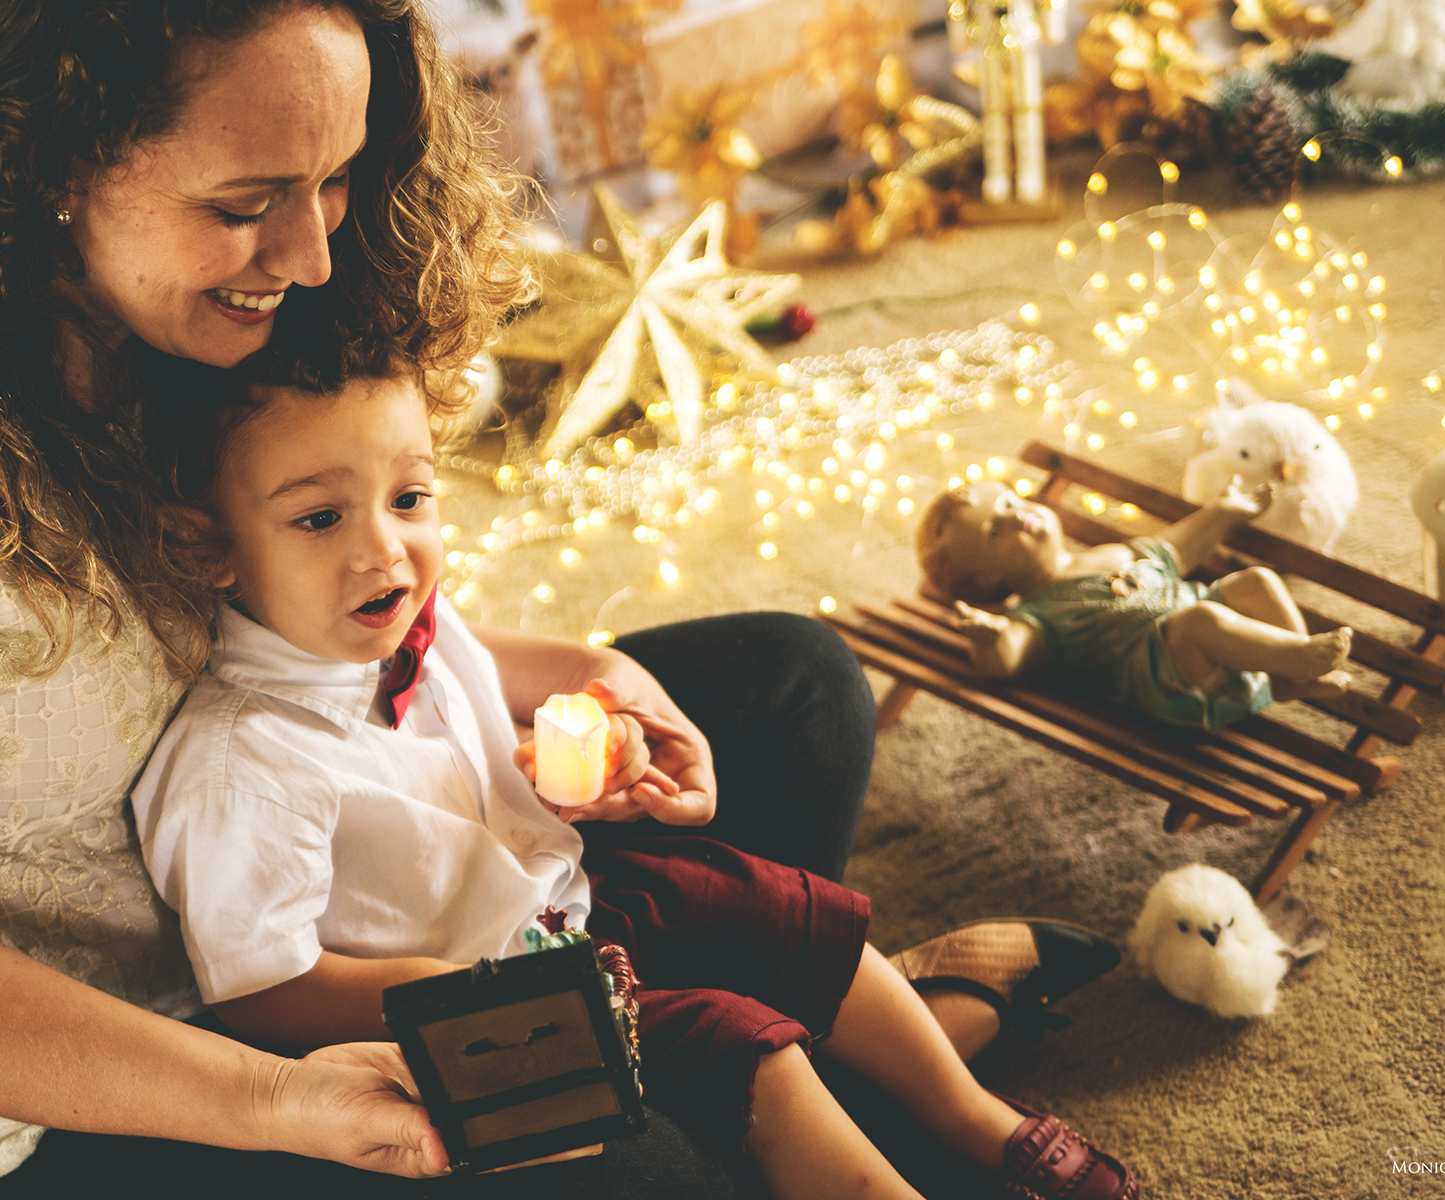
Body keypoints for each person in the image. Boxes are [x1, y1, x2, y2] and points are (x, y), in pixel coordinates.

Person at [0, 1, 1111, 1193]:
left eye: (334, 179)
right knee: (649, 1168)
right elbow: (266, 974)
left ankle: (769, 1054)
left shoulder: (214, 331)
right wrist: (282, 1098)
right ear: (54, 156)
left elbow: (378, 625)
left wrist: (601, 683)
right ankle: (799, 1073)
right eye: (244, 205)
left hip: (381, 865)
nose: (316, 256)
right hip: (143, 1051)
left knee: (798, 683)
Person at [126, 344, 1142, 1200]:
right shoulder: (241, 764)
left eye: (410, 497)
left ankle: (980, 1124)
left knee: (786, 910)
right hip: (509, 998)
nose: (384, 550)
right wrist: (448, 991)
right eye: (319, 518)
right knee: (756, 1058)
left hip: (579, 897)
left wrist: (622, 715)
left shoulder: (398, 625)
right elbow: (261, 989)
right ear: (208, 542)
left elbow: (567, 669)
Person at [916, 480, 1354, 732]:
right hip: (1170, 677)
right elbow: (1007, 658)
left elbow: (1175, 549)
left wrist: (1222, 511)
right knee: (1199, 620)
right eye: (995, 531)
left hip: (1211, 632)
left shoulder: (1107, 553)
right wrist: (989, 640)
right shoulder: (1033, 613)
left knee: (1256, 581)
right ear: (988, 577)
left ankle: (1289, 674)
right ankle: (1296, 657)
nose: (1016, 515)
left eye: (1010, 502)